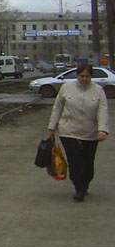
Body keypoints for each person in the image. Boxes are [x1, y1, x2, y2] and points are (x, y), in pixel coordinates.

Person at [47, 62, 109, 201]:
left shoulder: (98, 91)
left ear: (91, 77)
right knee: (75, 161)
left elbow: (102, 111)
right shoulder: (66, 88)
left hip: (90, 132)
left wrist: (102, 130)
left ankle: (85, 184)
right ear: (77, 75)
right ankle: (78, 188)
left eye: (87, 76)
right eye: (82, 76)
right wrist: (52, 127)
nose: (84, 79)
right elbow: (57, 108)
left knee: (88, 162)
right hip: (69, 131)